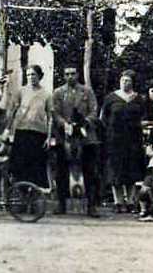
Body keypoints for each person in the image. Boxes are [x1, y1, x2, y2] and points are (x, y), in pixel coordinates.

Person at [51, 66, 101, 217]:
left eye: (73, 73)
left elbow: (94, 110)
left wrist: (84, 122)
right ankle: (61, 204)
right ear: (64, 76)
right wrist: (65, 124)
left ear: (78, 74)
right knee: (61, 171)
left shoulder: (87, 91)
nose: (70, 76)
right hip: (64, 136)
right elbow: (55, 112)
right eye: (67, 74)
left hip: (86, 136)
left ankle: (91, 206)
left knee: (90, 171)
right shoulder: (58, 92)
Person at [100, 69, 147, 213]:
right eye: (122, 80)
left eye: (128, 81)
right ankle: (118, 201)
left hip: (133, 140)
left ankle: (131, 201)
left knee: (131, 170)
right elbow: (103, 118)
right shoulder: (111, 98)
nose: (124, 83)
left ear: (133, 83)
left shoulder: (139, 99)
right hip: (114, 140)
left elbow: (143, 119)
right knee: (116, 171)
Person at [4, 64, 53, 188]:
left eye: (33, 74)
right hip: (22, 132)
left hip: (39, 134)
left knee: (36, 166)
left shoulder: (46, 94)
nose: (31, 77)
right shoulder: (21, 91)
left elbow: (50, 117)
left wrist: (49, 137)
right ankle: (20, 194)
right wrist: (8, 131)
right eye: (28, 75)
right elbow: (12, 112)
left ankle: (35, 196)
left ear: (40, 76)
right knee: (20, 166)